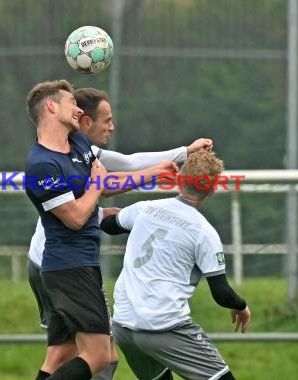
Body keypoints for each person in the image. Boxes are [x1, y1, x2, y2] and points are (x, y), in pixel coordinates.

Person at [26, 86, 213, 380]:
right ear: (51, 107)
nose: (78, 110)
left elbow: (109, 180)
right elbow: (76, 216)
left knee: (62, 354)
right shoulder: (42, 165)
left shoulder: (75, 145)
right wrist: (97, 185)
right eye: (71, 103)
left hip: (75, 263)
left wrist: (153, 173)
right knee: (102, 356)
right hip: (67, 266)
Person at [100, 149, 251, 380]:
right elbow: (221, 293)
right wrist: (241, 306)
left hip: (124, 325)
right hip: (163, 327)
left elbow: (109, 224)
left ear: (179, 180)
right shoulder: (204, 232)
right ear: (211, 191)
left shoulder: (145, 208)